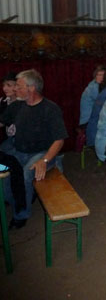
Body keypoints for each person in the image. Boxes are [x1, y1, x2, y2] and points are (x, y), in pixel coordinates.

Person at [0, 69, 68, 229]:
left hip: (42, 153)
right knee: (4, 175)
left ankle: (21, 215)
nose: (15, 89)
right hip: (18, 150)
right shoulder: (17, 106)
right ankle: (18, 201)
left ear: (31, 88)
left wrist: (44, 160)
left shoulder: (50, 109)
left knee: (25, 175)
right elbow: (2, 121)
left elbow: (59, 140)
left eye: (18, 86)